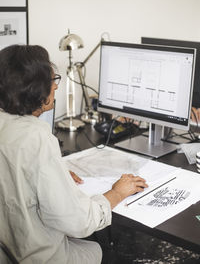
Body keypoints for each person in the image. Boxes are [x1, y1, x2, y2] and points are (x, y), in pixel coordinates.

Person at [0, 44, 148, 264]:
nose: (56, 88)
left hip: (8, 247)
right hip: (37, 256)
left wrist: (51, 174)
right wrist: (117, 192)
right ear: (35, 89)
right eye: (53, 81)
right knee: (107, 249)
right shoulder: (36, 138)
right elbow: (78, 222)